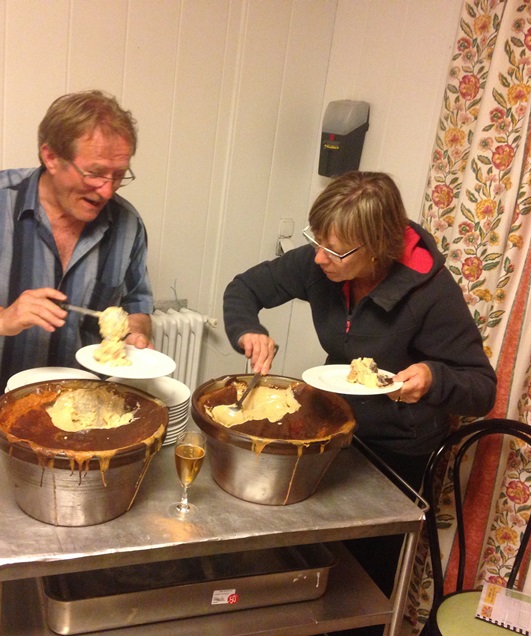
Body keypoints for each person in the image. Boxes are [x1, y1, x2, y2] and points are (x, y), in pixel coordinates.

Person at [0, 90, 154, 631]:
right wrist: (2, 317)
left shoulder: (127, 225)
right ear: (50, 156)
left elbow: (137, 304)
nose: (107, 189)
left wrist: (136, 335)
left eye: (119, 175)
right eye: (94, 172)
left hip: (81, 418)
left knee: (69, 533)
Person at [223, 171, 496, 631]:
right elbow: (244, 289)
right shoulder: (320, 263)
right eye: (316, 240)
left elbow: (481, 387)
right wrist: (248, 330)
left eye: (334, 250)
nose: (319, 257)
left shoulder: (429, 293)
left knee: (362, 590)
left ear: (377, 248)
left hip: (396, 455)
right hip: (333, 432)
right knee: (310, 560)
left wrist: (433, 378)